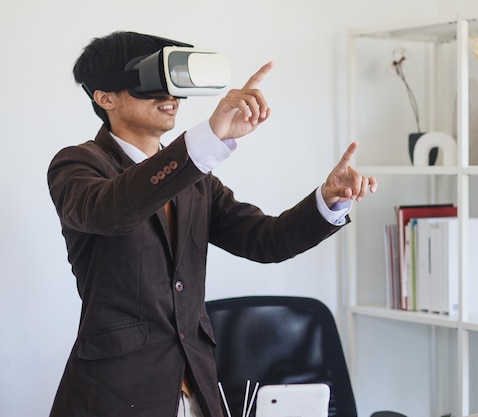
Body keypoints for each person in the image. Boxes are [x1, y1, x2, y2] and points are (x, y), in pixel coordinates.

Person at [47, 31, 377, 417]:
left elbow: (264, 241)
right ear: (105, 97)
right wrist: (208, 138)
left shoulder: (195, 179)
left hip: (196, 387)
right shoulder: (78, 166)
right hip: (116, 394)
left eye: (174, 85)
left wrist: (328, 200)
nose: (171, 97)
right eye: (151, 84)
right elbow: (111, 211)